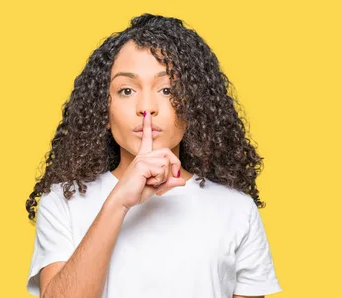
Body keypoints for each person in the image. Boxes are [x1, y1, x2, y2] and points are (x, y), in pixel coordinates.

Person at [24, 13, 282, 298]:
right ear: (104, 112)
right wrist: (119, 202)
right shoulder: (64, 202)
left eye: (167, 89)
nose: (146, 107)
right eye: (126, 90)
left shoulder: (236, 211)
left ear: (194, 105)